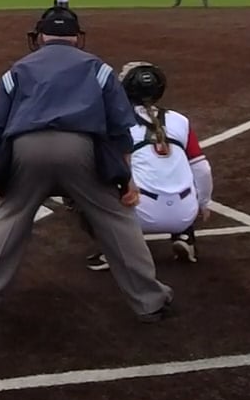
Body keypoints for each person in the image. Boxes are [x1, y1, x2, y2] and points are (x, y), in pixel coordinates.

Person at [0, 6, 174, 323]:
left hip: (26, 150)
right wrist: (126, 178)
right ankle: (150, 302)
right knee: (117, 219)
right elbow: (120, 130)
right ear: (77, 37)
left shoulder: (16, 70)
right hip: (82, 150)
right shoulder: (99, 69)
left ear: (40, 36)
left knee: (11, 219)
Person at [76, 62, 213, 270]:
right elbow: (202, 169)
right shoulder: (180, 120)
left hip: (138, 215)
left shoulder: (114, 122)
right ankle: (185, 235)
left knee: (84, 186)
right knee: (179, 171)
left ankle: (114, 250)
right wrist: (203, 203)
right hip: (186, 213)